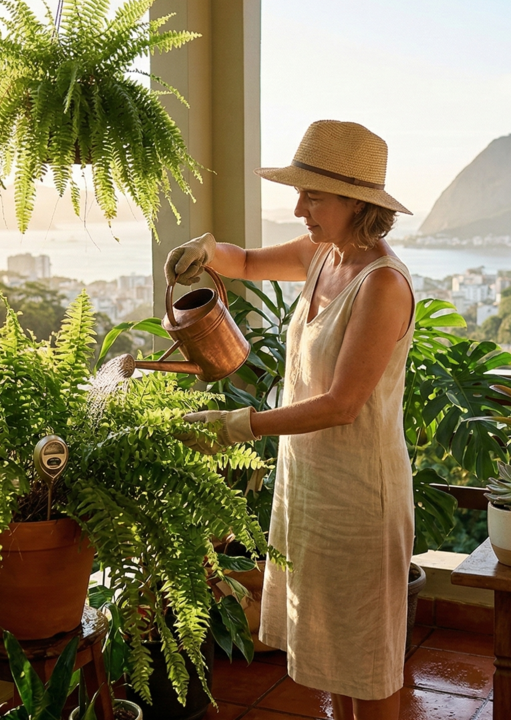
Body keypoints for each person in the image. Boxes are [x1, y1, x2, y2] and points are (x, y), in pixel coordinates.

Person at [165, 120, 415, 720]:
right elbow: (245, 260)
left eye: (313, 195)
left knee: (368, 663)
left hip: (360, 494)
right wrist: (205, 251)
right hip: (310, 484)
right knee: (334, 650)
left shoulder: (381, 284)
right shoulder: (324, 254)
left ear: (357, 202)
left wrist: (235, 426)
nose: (298, 207)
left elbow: (342, 405)